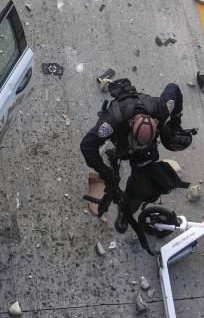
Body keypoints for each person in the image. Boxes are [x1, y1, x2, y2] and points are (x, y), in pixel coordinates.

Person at [80, 78, 193, 254]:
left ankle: (125, 212)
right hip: (123, 142)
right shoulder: (112, 122)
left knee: (139, 186)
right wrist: (105, 172)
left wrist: (176, 120)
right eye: (138, 143)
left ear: (155, 122)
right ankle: (125, 210)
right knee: (118, 178)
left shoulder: (160, 108)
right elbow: (87, 146)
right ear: (131, 127)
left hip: (144, 149)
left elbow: (174, 89)